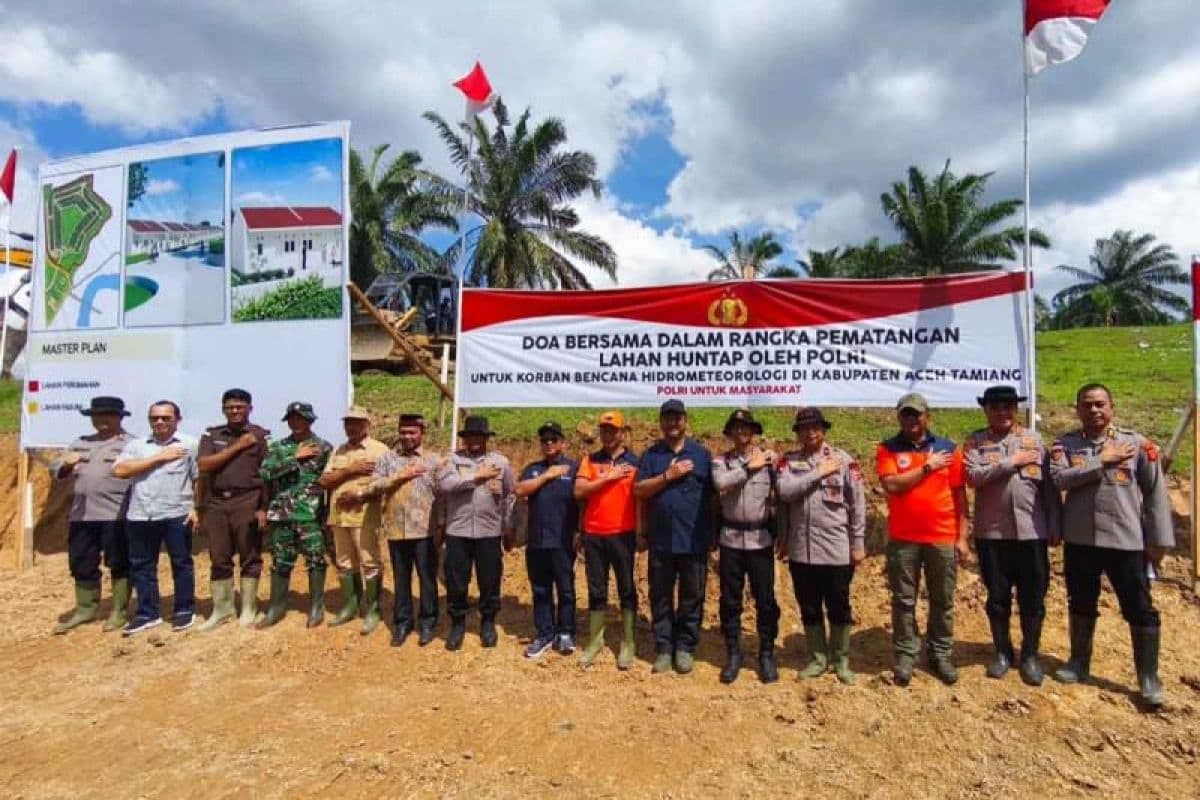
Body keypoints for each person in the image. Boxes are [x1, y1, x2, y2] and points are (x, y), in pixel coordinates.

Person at [1050, 383, 1173, 707]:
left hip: (1125, 540)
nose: (1093, 410)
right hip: (1081, 540)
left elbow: (1156, 494)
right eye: (1087, 405)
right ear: (1077, 409)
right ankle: (1079, 662)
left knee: (1139, 608)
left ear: (1112, 407)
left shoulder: (1136, 445)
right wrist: (1101, 461)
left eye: (1100, 404)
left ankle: (1148, 677)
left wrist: (1158, 540)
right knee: (1081, 602)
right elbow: (1061, 479)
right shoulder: (1065, 445)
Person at [964, 385, 1061, 685]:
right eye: (995, 407)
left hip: (1032, 533)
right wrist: (1013, 462)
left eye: (1008, 406)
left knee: (1033, 596)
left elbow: (1049, 487)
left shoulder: (1034, 441)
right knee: (997, 596)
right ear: (986, 410)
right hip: (992, 534)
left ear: (1016, 409)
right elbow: (973, 476)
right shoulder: (975, 442)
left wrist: (1055, 524)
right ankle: (1003, 652)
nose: (1002, 411)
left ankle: (1030, 654)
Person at [875, 393, 969, 686]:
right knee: (904, 599)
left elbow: (959, 496)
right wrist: (927, 466)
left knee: (942, 599)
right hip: (904, 539)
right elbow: (892, 485)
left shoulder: (949, 449)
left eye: (916, 414)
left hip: (942, 537)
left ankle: (940, 653)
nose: (911, 420)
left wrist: (962, 536)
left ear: (928, 416)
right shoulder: (887, 449)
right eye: (906, 415)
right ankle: (906, 653)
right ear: (898, 418)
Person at [777, 407, 865, 685]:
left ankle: (840, 660)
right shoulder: (788, 462)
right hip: (802, 550)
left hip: (836, 548)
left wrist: (858, 543)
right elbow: (785, 492)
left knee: (839, 606)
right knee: (809, 606)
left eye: (815, 427)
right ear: (798, 432)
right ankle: (817, 659)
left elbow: (858, 505)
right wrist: (817, 472)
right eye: (804, 428)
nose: (810, 432)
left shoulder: (843, 460)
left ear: (824, 430)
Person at [634, 399, 714, 675]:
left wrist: (713, 534)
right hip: (661, 540)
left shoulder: (702, 455)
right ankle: (665, 648)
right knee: (661, 597)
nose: (672, 423)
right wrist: (667, 476)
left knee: (692, 596)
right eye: (667, 418)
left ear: (685, 420)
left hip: (694, 541)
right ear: (661, 422)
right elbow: (640, 491)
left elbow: (714, 497)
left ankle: (685, 648)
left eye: (677, 418)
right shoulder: (652, 455)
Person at [112, 400, 200, 635]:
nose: (159, 422)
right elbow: (119, 470)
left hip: (176, 513)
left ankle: (184, 610)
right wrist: (159, 457)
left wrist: (195, 507)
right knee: (142, 566)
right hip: (140, 515)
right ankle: (147, 613)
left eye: (165, 417)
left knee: (181, 564)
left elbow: (198, 478)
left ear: (177, 419)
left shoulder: (189, 444)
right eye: (154, 418)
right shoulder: (137, 445)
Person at [356, 413, 444, 647]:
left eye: (412, 432)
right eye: (403, 432)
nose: (407, 437)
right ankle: (403, 623)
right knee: (401, 580)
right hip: (396, 530)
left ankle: (427, 622)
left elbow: (443, 496)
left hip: (425, 531)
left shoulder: (434, 460)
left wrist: (442, 526)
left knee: (427, 579)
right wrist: (399, 476)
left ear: (421, 433)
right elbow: (374, 486)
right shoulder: (387, 459)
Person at [49, 396, 135, 634]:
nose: (101, 420)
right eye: (96, 415)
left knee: (119, 562)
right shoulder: (80, 442)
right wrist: (66, 464)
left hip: (116, 513)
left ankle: (119, 610)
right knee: (81, 562)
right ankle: (86, 609)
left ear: (119, 417)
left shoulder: (132, 444)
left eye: (107, 415)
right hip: (82, 515)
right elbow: (56, 469)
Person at [711, 409, 780, 684]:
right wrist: (749, 467)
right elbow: (720, 483)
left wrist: (782, 534)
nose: (741, 432)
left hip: (760, 540)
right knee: (730, 600)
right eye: (736, 428)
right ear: (730, 433)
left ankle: (766, 653)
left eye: (746, 428)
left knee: (765, 600)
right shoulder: (721, 461)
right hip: (730, 539)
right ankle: (733, 653)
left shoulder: (771, 461)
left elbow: (781, 499)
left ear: (753, 432)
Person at [436, 415, 514, 651]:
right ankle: (458, 623)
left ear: (486, 438)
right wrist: (476, 477)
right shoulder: (452, 460)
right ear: (464, 438)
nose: (474, 441)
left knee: (489, 580)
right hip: (457, 530)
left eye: (479, 436)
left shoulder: (500, 463)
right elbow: (446, 486)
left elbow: (510, 495)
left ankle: (488, 622)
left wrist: (507, 525)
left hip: (489, 532)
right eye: (470, 436)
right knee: (456, 580)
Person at [196, 388, 270, 631]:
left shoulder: (260, 436)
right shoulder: (212, 434)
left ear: (250, 408)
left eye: (240, 406)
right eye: (230, 407)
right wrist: (238, 446)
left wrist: (263, 508)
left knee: (250, 555)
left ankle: (249, 608)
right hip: (217, 504)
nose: (235, 411)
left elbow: (268, 476)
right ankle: (223, 609)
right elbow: (205, 465)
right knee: (219, 557)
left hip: (247, 501)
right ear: (223, 409)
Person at [256, 402, 333, 629]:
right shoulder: (278, 447)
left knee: (316, 560)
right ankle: (276, 608)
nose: (296, 423)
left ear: (310, 421)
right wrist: (295, 459)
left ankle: (316, 607)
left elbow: (330, 479)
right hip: (282, 514)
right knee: (280, 561)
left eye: (301, 419)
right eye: (292, 419)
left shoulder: (324, 447)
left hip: (310, 515)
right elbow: (265, 473)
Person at [573, 410, 640, 669]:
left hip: (623, 534)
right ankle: (595, 639)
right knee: (596, 588)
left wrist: (641, 532)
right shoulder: (590, 460)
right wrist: (607, 477)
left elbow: (640, 500)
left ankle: (628, 641)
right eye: (604, 430)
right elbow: (579, 491)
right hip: (594, 534)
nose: (608, 434)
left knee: (626, 588)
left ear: (623, 433)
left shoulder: (635, 462)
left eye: (613, 430)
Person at [319, 407, 390, 635]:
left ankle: (373, 609)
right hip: (338, 516)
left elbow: (387, 484)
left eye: (357, 423)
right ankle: (350, 605)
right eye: (348, 422)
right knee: (344, 562)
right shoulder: (339, 450)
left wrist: (360, 494)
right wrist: (351, 470)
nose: (351, 427)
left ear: (367, 425)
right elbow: (325, 480)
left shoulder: (380, 450)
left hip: (364, 516)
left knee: (369, 561)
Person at [515, 421, 578, 659]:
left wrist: (579, 531)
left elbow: (582, 500)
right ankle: (544, 633)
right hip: (537, 541)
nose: (549, 444)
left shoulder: (574, 468)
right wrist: (547, 476)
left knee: (566, 589)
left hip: (563, 540)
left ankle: (566, 632)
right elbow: (520, 490)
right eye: (544, 440)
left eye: (553, 439)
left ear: (563, 442)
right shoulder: (533, 469)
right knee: (540, 589)